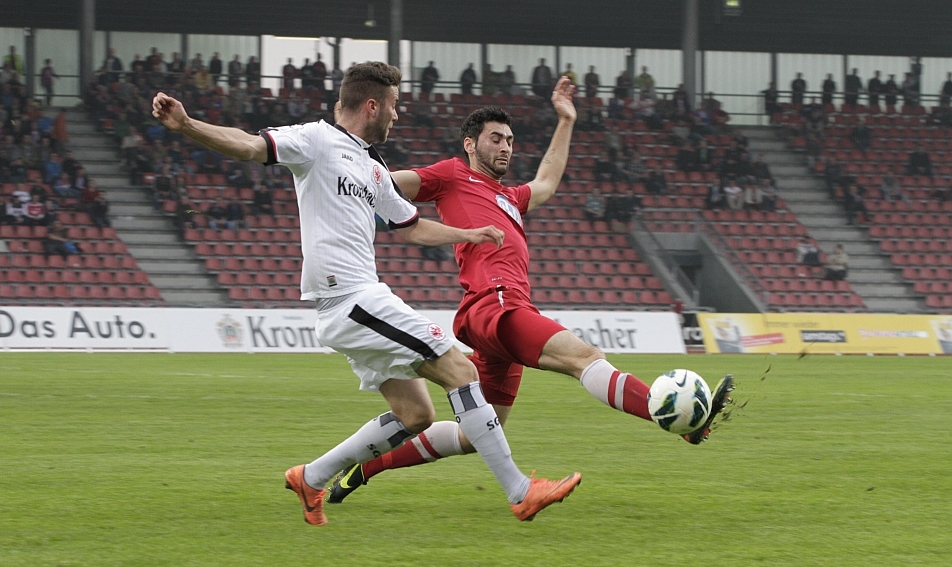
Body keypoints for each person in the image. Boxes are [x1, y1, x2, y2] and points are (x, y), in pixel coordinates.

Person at [152, 62, 579, 524]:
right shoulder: (316, 140)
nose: (397, 115)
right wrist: (188, 124)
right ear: (372, 105)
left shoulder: (373, 167)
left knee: (415, 414)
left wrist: (468, 234)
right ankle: (520, 491)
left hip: (358, 304)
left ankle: (311, 477)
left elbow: (411, 227)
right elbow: (251, 145)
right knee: (461, 371)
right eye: (393, 106)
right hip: (352, 299)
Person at [326, 81, 734, 505]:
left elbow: (547, 182)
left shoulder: (510, 197)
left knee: (475, 434)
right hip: (494, 304)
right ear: (470, 144)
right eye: (495, 139)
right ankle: (670, 414)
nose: (505, 147)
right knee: (585, 358)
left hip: (501, 311)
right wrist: (343, 169)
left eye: (509, 141)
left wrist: (566, 120)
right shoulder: (452, 174)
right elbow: (382, 183)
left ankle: (364, 469)